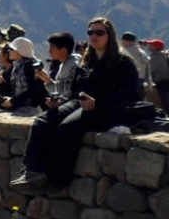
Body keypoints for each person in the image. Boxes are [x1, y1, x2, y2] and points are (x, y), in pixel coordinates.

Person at [11, 17, 139, 189]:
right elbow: (77, 87)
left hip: (106, 109)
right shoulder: (88, 60)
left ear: (110, 35)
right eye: (90, 32)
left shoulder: (123, 62)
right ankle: (32, 173)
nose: (94, 36)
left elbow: (132, 94)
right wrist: (59, 102)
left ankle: (57, 182)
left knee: (67, 127)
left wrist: (98, 103)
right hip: (80, 101)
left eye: (99, 32)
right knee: (43, 120)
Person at [0, 37, 46, 114]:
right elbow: (11, 91)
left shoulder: (30, 66)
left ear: (20, 51)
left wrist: (13, 102)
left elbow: (34, 90)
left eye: (12, 49)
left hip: (30, 108)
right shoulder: (17, 65)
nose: (9, 51)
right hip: (19, 106)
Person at [142, 39, 169, 108]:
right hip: (166, 83)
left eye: (151, 45)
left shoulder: (155, 57)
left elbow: (149, 71)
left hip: (162, 85)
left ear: (156, 47)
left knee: (164, 104)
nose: (149, 46)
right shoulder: (164, 55)